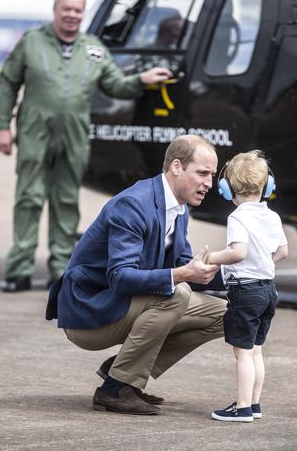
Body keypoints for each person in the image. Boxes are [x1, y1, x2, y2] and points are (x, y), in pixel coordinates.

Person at [0, 0, 172, 293]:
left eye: (78, 10)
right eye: (67, 9)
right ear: (55, 11)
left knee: (66, 201)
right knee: (29, 197)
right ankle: (19, 269)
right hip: (34, 132)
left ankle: (61, 268)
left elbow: (116, 85)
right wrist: (3, 125)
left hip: (74, 136)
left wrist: (141, 79)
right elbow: (7, 83)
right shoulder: (32, 42)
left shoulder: (93, 48)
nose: (72, 16)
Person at [46, 135, 227, 415]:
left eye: (212, 175)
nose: (209, 183)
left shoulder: (179, 209)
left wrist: (244, 275)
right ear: (176, 166)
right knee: (177, 293)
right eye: (202, 173)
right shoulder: (133, 204)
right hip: (91, 311)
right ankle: (116, 390)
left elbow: (183, 265)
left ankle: (122, 368)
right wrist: (181, 274)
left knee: (227, 314)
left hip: (127, 303)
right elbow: (120, 277)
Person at [205, 150, 288, 422]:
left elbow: (238, 252)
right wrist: (263, 260)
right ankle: (254, 404)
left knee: (242, 354)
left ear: (227, 189)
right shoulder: (272, 216)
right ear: (267, 186)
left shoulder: (238, 217)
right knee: (256, 351)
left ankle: (241, 407)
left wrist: (212, 258)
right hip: (268, 290)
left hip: (245, 291)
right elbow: (283, 252)